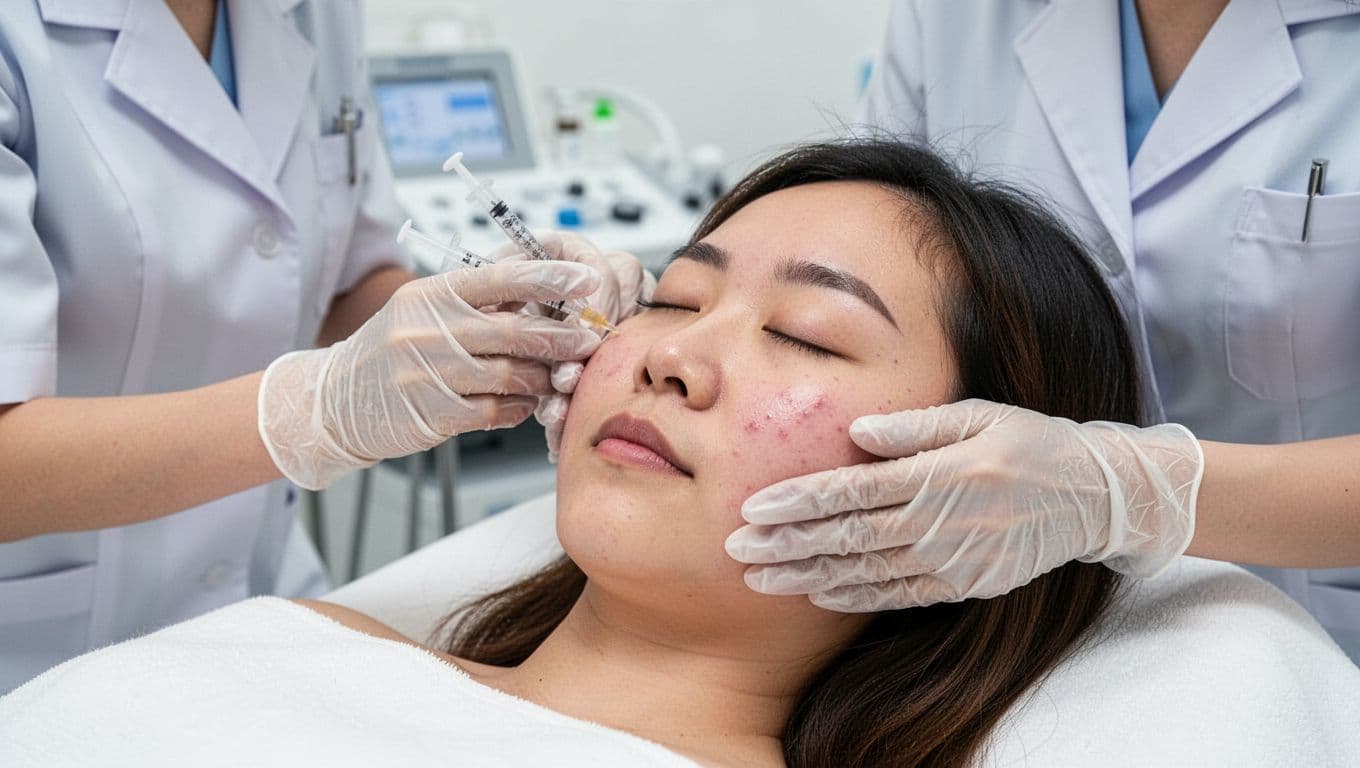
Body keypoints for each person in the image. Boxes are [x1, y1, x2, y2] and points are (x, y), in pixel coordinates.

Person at [0, 139, 1304, 767]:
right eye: (673, 297)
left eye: (809, 333)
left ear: (981, 497)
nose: (668, 351)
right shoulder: (276, 651)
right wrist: (325, 399)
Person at [0, 0, 646, 693]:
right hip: (41, 650)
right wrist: (315, 410)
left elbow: (342, 279)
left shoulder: (315, 10)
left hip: (265, 597)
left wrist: (491, 318)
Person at [722, 0, 1360, 663]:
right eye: (678, 304)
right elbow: (855, 240)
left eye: (807, 337)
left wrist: (1126, 492)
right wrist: (638, 307)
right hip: (1004, 629)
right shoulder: (960, 16)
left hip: (1323, 634)